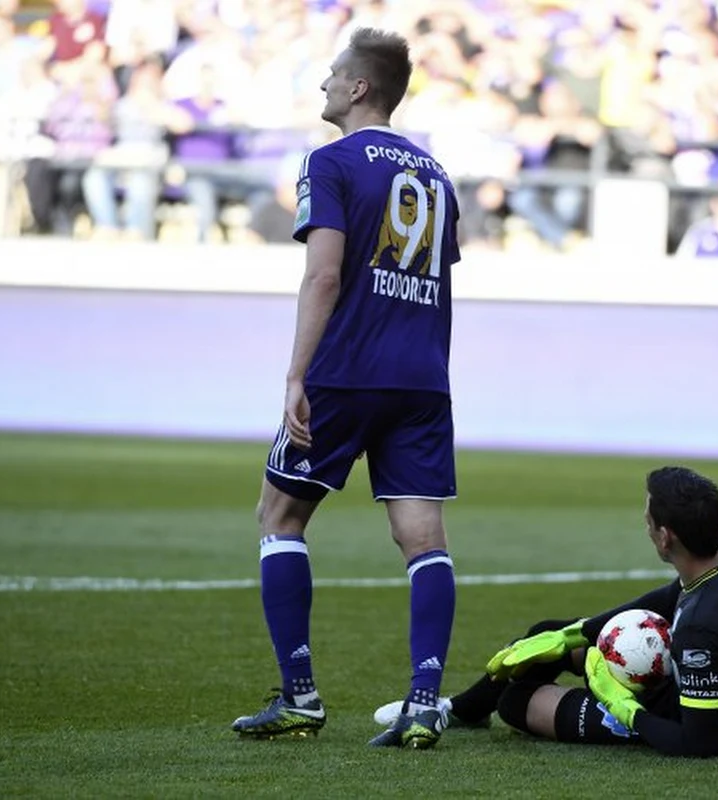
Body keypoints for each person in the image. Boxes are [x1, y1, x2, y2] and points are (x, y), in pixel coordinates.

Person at [231, 27, 462, 751]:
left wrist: (297, 373)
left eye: (333, 74)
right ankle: (424, 702)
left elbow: (324, 274)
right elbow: (436, 272)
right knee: (423, 539)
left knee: (279, 516)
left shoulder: (331, 161)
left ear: (360, 87)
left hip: (346, 370)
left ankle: (300, 696)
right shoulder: (436, 174)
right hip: (422, 377)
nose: (323, 85)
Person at [377, 466, 718, 757]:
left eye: (648, 517)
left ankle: (480, 709)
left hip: (714, 724)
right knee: (546, 634)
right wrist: (578, 633)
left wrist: (622, 705)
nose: (644, 521)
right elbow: (676, 595)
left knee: (516, 702)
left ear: (666, 538)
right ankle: (456, 710)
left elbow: (699, 743)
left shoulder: (701, 631)